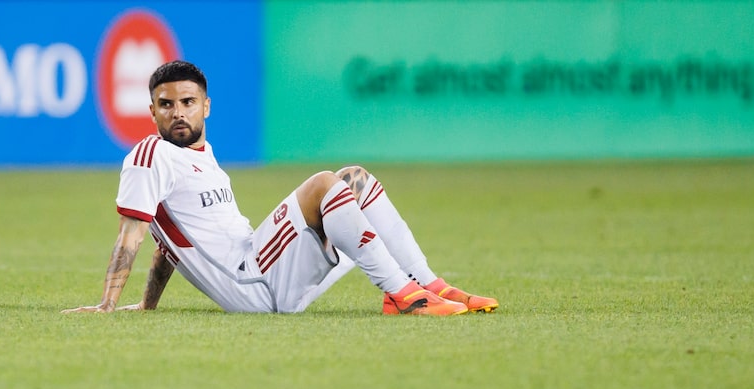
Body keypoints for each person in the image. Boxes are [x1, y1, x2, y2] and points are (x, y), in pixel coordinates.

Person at [64, 60, 497, 317]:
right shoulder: (150, 155)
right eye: (166, 104)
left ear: (206, 106)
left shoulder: (202, 156)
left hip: (267, 272)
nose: (178, 112)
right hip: (251, 280)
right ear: (152, 111)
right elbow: (133, 233)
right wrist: (107, 304)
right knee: (323, 185)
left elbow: (166, 245)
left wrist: (147, 307)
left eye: (188, 102)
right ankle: (403, 296)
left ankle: (425, 284)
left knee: (355, 180)